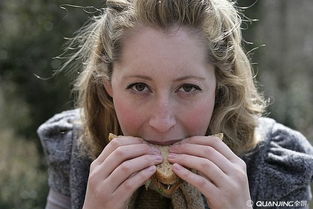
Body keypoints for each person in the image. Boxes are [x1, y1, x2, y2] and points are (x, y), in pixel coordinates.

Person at [37, 0, 313, 209]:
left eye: (188, 88)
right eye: (139, 87)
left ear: (219, 85)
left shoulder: (276, 165)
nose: (162, 121)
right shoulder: (72, 149)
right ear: (108, 84)